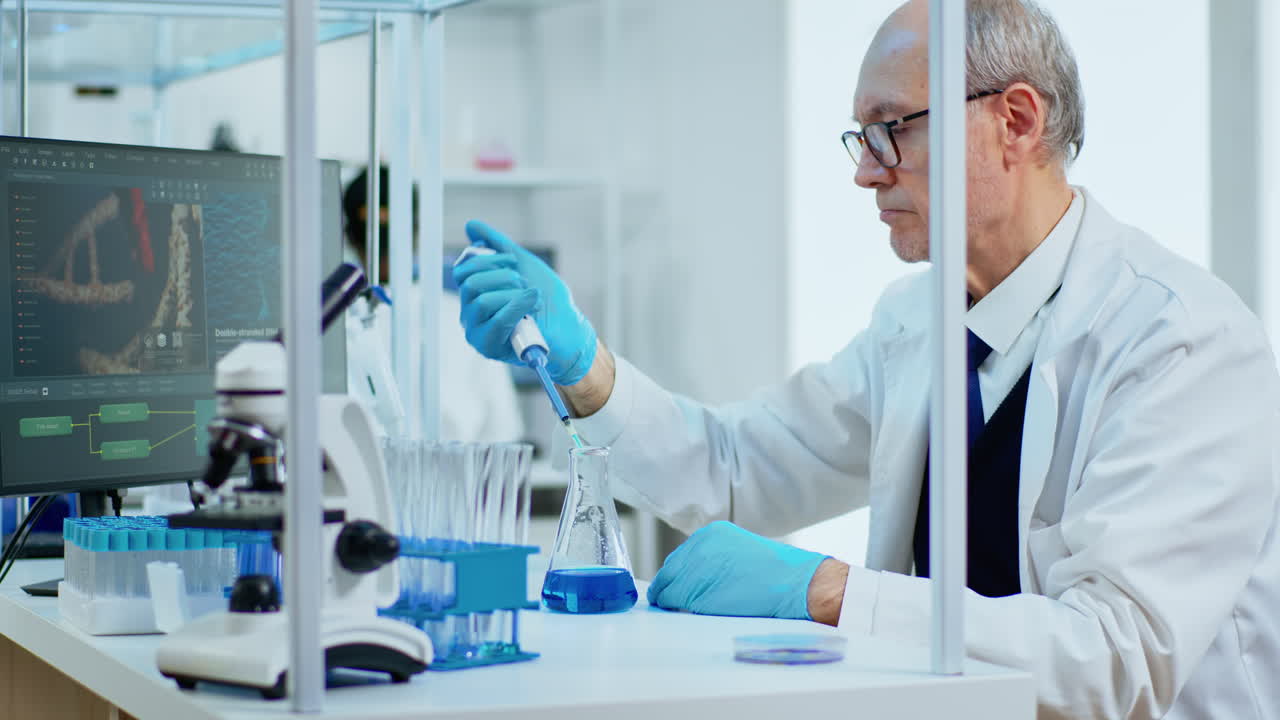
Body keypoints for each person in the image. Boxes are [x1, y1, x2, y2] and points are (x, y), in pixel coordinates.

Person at [450, 1, 1280, 717]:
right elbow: (738, 471)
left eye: (890, 131)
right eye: (862, 137)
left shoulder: (1181, 342)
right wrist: (582, 363)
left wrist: (828, 591)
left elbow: (1116, 662)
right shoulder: (916, 321)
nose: (864, 173)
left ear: (1016, 121)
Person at [343, 167, 522, 443]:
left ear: (349, 236)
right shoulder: (465, 317)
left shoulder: (329, 324)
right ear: (416, 232)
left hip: (356, 482)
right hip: (456, 482)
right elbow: (503, 432)